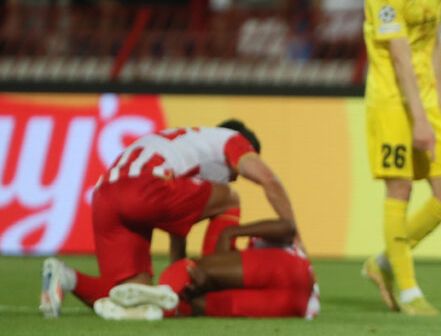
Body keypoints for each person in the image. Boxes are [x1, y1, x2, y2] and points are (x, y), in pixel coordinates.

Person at [39, 120, 298, 317]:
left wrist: (177, 277)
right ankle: (212, 278)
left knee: (131, 293)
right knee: (231, 198)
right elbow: (268, 179)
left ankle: (65, 276)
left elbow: (178, 225)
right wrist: (296, 236)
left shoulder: (186, 147)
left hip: (105, 195)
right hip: (147, 186)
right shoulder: (232, 139)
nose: (234, 177)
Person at [359, 0, 441, 317]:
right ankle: (409, 291)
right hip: (391, 103)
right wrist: (419, 118)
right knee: (399, 189)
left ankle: (382, 262)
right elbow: (400, 56)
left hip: (426, 102)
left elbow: (433, 44)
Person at [96, 219, 318, 321]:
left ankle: (164, 291)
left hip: (289, 274)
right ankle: (146, 310)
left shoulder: (241, 249)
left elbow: (288, 228)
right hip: (296, 304)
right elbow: (289, 228)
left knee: (192, 268)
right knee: (191, 305)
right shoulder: (257, 251)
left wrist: (231, 231)